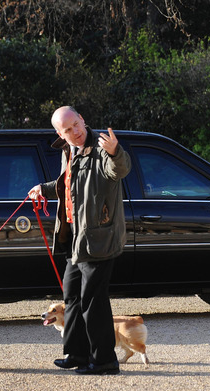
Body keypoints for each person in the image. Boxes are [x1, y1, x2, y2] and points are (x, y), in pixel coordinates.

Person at [28, 106, 131, 375]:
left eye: (76, 125)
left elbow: (119, 170)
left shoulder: (101, 148)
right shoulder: (68, 150)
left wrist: (115, 152)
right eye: (67, 129)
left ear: (82, 120)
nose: (74, 132)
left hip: (98, 238)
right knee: (71, 296)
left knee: (92, 300)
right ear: (59, 133)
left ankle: (105, 361)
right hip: (74, 237)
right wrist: (44, 189)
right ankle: (77, 354)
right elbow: (70, 183)